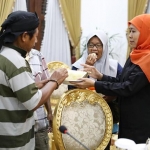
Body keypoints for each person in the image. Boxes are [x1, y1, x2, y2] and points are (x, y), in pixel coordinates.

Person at [72, 14, 150, 144]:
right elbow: (121, 81)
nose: (130, 36)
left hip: (140, 122)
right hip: (127, 119)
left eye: (134, 31)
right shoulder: (135, 55)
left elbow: (127, 88)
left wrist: (95, 84)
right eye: (129, 32)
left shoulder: (147, 59)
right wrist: (100, 76)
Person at [0, 11, 68, 149]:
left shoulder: (4, 55)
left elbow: (9, 91)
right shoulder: (16, 61)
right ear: (24, 36)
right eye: (35, 36)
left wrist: (34, 85)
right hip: (16, 142)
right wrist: (54, 81)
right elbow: (33, 102)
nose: (36, 41)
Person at [69, 30, 122, 150]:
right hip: (83, 114)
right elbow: (71, 89)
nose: (94, 49)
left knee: (104, 145)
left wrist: (113, 96)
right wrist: (85, 68)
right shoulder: (78, 65)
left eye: (98, 45)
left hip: (106, 113)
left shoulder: (114, 66)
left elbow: (122, 86)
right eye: (91, 45)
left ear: (104, 47)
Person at [27, 48, 52, 150]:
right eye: (35, 35)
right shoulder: (8, 57)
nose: (36, 40)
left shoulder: (37, 55)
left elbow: (46, 85)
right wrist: (34, 86)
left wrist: (50, 112)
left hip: (40, 123)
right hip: (19, 127)